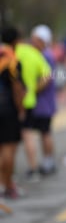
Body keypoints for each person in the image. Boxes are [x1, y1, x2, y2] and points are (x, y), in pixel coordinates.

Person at [15, 25, 52, 181]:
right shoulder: (34, 54)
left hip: (13, 102)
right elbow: (48, 75)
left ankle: (8, 176)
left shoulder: (14, 53)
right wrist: (34, 90)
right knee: (27, 135)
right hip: (29, 101)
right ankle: (33, 167)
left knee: (11, 140)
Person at [22, 25, 58, 178]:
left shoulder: (45, 56)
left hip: (43, 104)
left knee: (44, 133)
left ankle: (48, 161)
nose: (32, 41)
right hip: (43, 103)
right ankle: (47, 161)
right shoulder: (44, 54)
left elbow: (47, 77)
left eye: (35, 39)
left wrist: (33, 89)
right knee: (43, 133)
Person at [0, 27, 26, 200]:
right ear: (16, 41)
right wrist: (21, 110)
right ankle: (7, 186)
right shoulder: (12, 61)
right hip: (6, 108)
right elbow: (17, 88)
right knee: (8, 148)